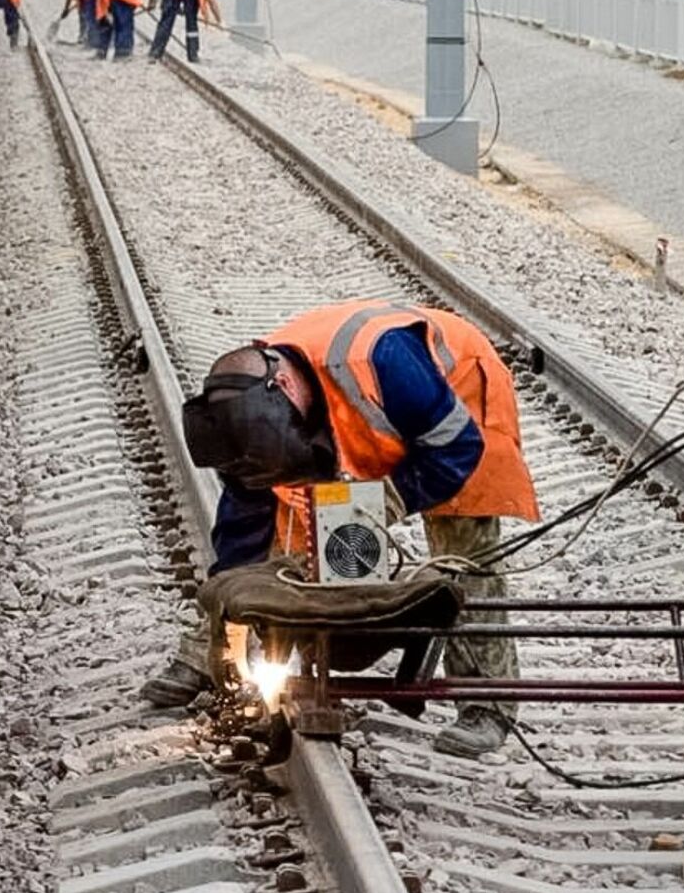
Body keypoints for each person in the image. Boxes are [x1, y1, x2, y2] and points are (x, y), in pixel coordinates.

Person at [139, 301, 541, 759]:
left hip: (457, 404)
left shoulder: (385, 360)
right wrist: (224, 622)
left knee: (464, 549)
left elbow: (456, 447)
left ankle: (487, 704)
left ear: (285, 385)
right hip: (364, 409)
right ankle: (205, 659)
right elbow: (242, 528)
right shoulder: (250, 409)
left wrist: (391, 500)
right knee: (290, 515)